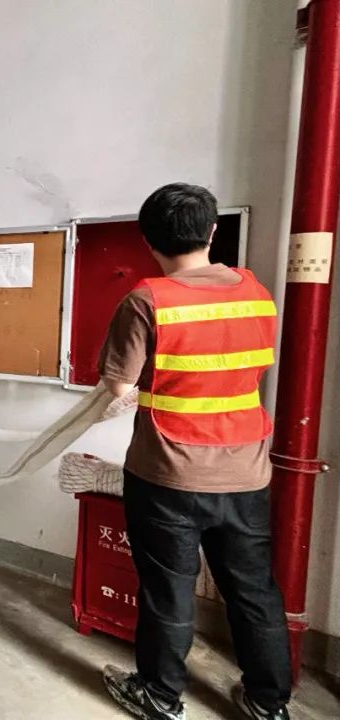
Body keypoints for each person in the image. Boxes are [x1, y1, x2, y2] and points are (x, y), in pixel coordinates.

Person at [99, 184, 291, 720]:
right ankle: (269, 703)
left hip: (168, 474)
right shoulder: (257, 294)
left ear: (147, 240)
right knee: (253, 591)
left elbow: (119, 386)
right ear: (212, 231)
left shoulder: (147, 300)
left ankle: (160, 695)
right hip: (246, 472)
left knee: (168, 590)